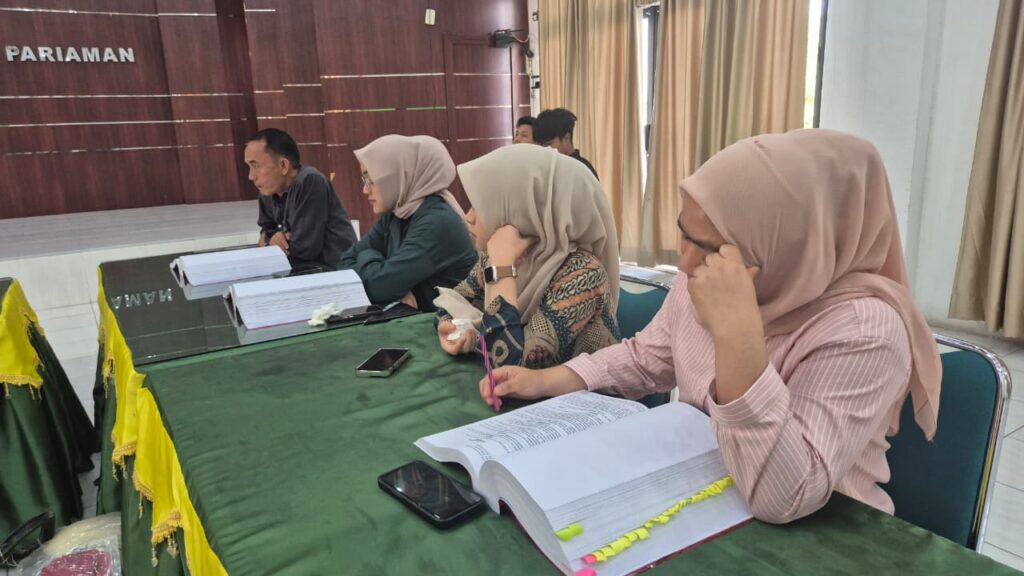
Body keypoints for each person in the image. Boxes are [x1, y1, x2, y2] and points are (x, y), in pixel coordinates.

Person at [478, 129, 942, 524]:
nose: (683, 263)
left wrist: (737, 335)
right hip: (708, 494)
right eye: (684, 233)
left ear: (787, 246)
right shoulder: (706, 273)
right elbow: (647, 357)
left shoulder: (866, 329)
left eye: (708, 247)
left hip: (826, 532)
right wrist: (547, 380)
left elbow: (784, 497)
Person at [436, 144, 620, 369]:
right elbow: (452, 302)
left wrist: (502, 269)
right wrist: (461, 329)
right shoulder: (496, 255)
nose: (468, 217)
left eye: (480, 205)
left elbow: (512, 367)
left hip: (582, 393)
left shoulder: (583, 274)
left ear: (521, 210)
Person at [337, 135, 476, 311]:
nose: (365, 190)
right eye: (364, 180)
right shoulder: (397, 214)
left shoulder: (437, 222)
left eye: (370, 180)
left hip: (451, 324)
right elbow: (344, 266)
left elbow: (380, 287)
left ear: (399, 176)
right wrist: (382, 273)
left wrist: (369, 258)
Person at [248, 128, 357, 268]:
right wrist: (274, 237)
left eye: (256, 166)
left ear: (283, 165)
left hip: (336, 271)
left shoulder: (310, 181)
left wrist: (272, 242)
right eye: (249, 167)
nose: (251, 176)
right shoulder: (269, 189)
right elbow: (265, 232)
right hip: (303, 270)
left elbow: (305, 249)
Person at [532, 108, 598, 180]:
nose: (544, 150)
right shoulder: (543, 168)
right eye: (540, 146)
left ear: (566, 138)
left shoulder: (582, 169)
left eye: (548, 144)